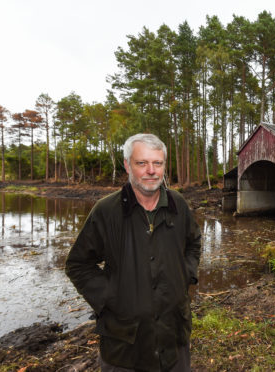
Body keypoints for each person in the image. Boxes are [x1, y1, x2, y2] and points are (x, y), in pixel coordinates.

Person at [65, 133, 201, 372]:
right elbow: (78, 265)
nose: (151, 170)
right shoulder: (106, 211)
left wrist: (185, 276)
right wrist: (111, 298)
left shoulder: (177, 204)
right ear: (128, 165)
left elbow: (193, 243)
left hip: (174, 340)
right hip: (124, 347)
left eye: (157, 163)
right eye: (142, 163)